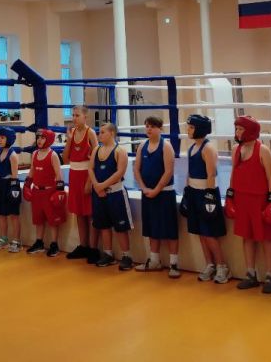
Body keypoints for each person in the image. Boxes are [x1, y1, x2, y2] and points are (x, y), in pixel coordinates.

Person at [225, 115, 271, 293]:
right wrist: (230, 196)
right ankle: (250, 274)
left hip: (260, 200)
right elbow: (233, 174)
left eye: (240, 129)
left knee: (267, 238)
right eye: (236, 128)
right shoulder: (236, 149)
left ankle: (270, 276)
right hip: (242, 199)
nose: (237, 132)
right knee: (246, 236)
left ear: (250, 130)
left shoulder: (262, 150)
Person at [180, 114, 229, 284]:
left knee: (209, 233)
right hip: (193, 193)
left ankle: (222, 266)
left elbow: (211, 174)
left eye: (191, 127)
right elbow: (190, 172)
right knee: (200, 233)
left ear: (200, 129)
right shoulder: (192, 147)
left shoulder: (208, 148)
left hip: (206, 194)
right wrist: (187, 191)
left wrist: (209, 196)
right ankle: (210, 264)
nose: (188, 130)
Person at [133, 116, 180, 277]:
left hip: (164, 193)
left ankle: (174, 264)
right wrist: (143, 187)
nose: (149, 129)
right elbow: (136, 169)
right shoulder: (142, 146)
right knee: (151, 228)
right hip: (148, 193)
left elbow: (168, 172)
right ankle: (154, 261)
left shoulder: (166, 146)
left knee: (170, 229)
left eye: (152, 126)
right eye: (147, 126)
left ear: (160, 128)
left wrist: (156, 190)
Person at [89, 123, 133, 270]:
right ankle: (108, 254)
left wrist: (101, 186)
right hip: (99, 193)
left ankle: (127, 256)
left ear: (112, 133)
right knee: (103, 225)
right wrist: (96, 186)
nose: (99, 135)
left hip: (115, 194)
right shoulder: (96, 150)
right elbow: (90, 168)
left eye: (102, 132)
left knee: (120, 227)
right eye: (99, 132)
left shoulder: (120, 151)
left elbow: (119, 173)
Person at [63, 105, 98, 263]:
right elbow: (65, 159)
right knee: (79, 213)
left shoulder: (90, 133)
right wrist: (69, 140)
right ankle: (83, 246)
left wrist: (90, 181)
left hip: (86, 174)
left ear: (85, 117)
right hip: (74, 175)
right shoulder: (72, 133)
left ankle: (93, 248)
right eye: (73, 115)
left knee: (90, 213)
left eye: (77, 115)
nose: (74, 118)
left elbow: (96, 157)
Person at [25, 128, 65, 257]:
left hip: (49, 191)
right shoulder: (35, 153)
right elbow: (32, 170)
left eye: (42, 138)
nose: (39, 140)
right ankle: (39, 243)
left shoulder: (53, 155)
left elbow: (59, 175)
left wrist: (59, 192)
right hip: (37, 191)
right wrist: (27, 186)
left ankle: (54, 244)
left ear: (49, 139)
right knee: (38, 219)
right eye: (38, 138)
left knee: (52, 220)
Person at [0, 126, 22, 252]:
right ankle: (3, 239)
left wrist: (14, 190)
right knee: (2, 214)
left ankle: (17, 241)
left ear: (9, 139)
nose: (0, 140)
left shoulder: (12, 155)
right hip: (1, 185)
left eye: (2, 137)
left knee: (14, 215)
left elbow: (15, 175)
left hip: (11, 185)